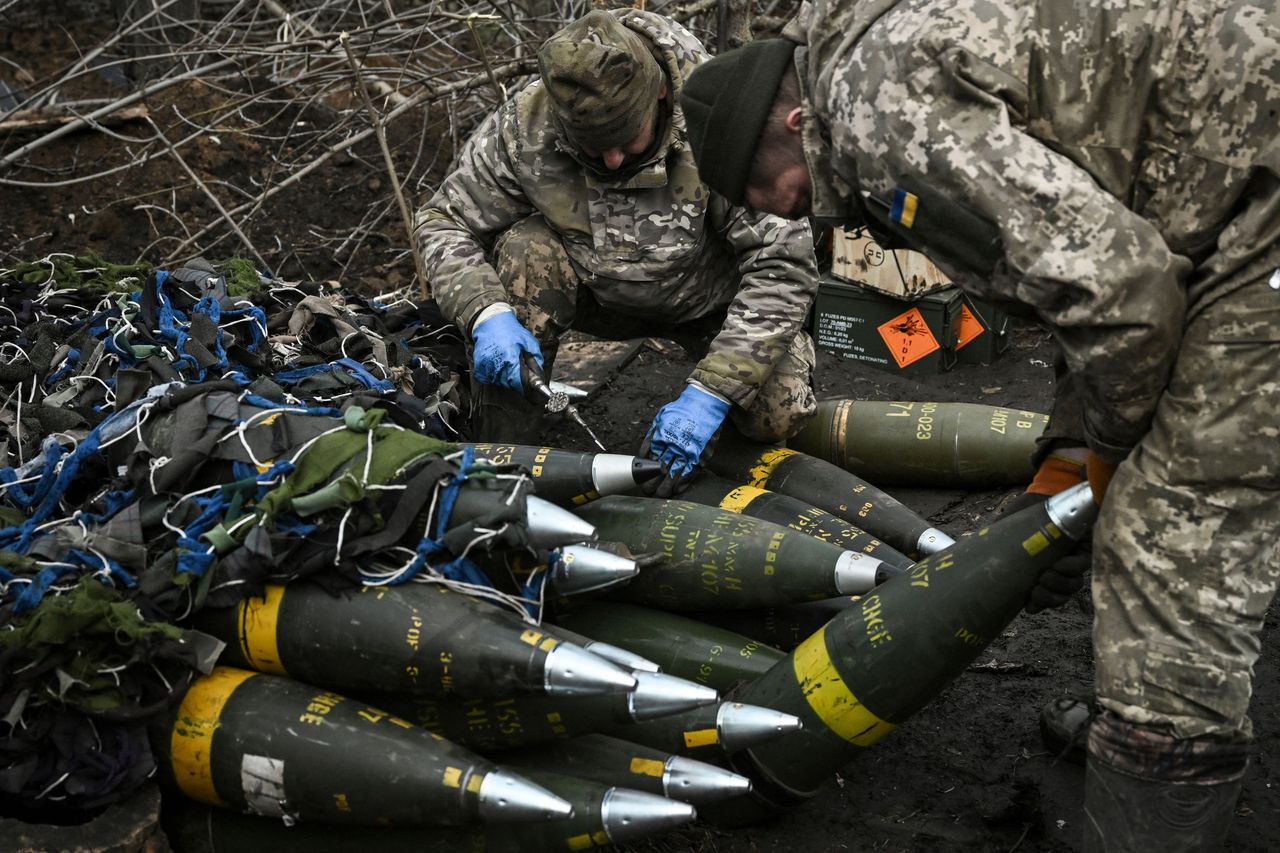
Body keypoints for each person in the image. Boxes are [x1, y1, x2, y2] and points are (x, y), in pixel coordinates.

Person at [677, 1, 1280, 849]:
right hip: (1225, 177)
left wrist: (1110, 457)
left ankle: (1158, 762)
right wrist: (1068, 451)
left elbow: (1125, 298)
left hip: (1255, 215)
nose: (781, 213)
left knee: (1171, 553)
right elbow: (1080, 276)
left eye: (758, 187)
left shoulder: (872, 112)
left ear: (790, 120)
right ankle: (1138, 738)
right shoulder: (876, 51)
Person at [413, 9, 818, 488]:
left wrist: (712, 392)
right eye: (591, 146)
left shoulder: (720, 118)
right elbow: (442, 220)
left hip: (711, 304)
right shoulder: (527, 124)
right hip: (593, 293)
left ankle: (709, 453)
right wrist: (485, 313)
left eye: (625, 139)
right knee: (527, 249)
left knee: (778, 411)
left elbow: (784, 264)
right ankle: (506, 455)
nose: (611, 160)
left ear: (661, 93)